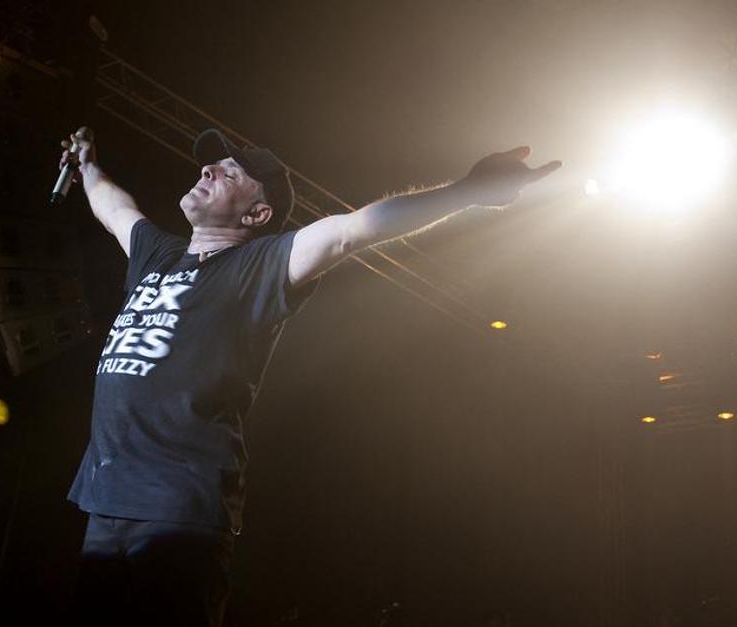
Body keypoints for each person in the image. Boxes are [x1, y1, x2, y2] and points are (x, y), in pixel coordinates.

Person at [59, 126, 560, 626]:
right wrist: (87, 165)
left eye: (230, 173)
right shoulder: (157, 255)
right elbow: (114, 208)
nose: (208, 170)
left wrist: (467, 190)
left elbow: (351, 231)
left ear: (257, 214)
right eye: (212, 166)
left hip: (177, 508)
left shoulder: (261, 265)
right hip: (106, 502)